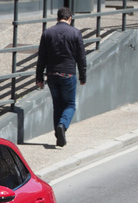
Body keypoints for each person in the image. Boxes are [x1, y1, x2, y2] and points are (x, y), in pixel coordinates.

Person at [36, 7, 87, 147]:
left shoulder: (47, 33)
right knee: (70, 105)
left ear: (58, 18)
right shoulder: (76, 33)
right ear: (70, 18)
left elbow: (42, 57)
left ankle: (59, 137)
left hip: (52, 74)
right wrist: (83, 76)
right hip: (68, 74)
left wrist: (39, 78)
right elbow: (81, 57)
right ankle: (62, 126)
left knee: (57, 105)